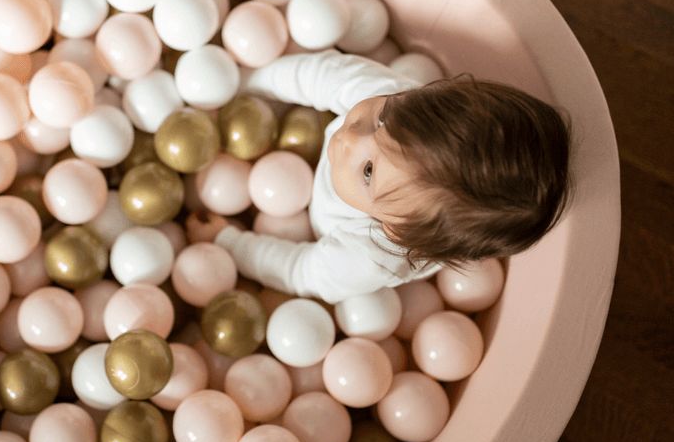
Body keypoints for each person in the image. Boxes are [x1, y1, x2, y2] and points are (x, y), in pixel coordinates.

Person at [189, 50, 572, 304]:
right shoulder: (390, 95)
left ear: (395, 230)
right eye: (384, 118)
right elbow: (312, 74)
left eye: (368, 172)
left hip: (320, 227)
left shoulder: (371, 256)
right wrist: (238, 85)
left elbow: (300, 271)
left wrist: (228, 240)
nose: (348, 139)